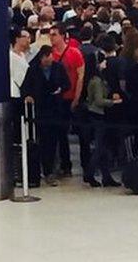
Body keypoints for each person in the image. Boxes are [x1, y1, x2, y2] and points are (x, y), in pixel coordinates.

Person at [22, 45, 70, 187]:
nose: (50, 60)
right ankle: (43, 169)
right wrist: (28, 96)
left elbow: (67, 84)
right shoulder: (33, 70)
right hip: (41, 110)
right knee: (43, 141)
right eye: (48, 57)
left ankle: (50, 171)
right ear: (42, 57)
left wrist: (61, 89)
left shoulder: (58, 68)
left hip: (56, 109)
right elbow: (26, 87)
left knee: (54, 141)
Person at [50, 25, 85, 176]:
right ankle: (65, 165)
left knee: (82, 133)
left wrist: (76, 97)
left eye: (54, 34)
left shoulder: (74, 53)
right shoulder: (50, 55)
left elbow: (80, 76)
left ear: (63, 36)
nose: (52, 37)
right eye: (50, 35)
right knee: (61, 133)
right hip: (59, 99)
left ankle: (86, 165)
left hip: (73, 96)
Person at [84, 53, 123, 187]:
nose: (106, 63)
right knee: (99, 148)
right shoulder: (97, 81)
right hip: (98, 115)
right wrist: (113, 102)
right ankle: (89, 173)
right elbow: (99, 100)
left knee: (103, 148)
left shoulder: (96, 79)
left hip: (97, 115)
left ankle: (106, 176)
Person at [10, 30, 31, 149]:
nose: (28, 39)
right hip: (15, 94)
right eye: (25, 37)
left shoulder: (23, 55)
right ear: (17, 39)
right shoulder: (11, 56)